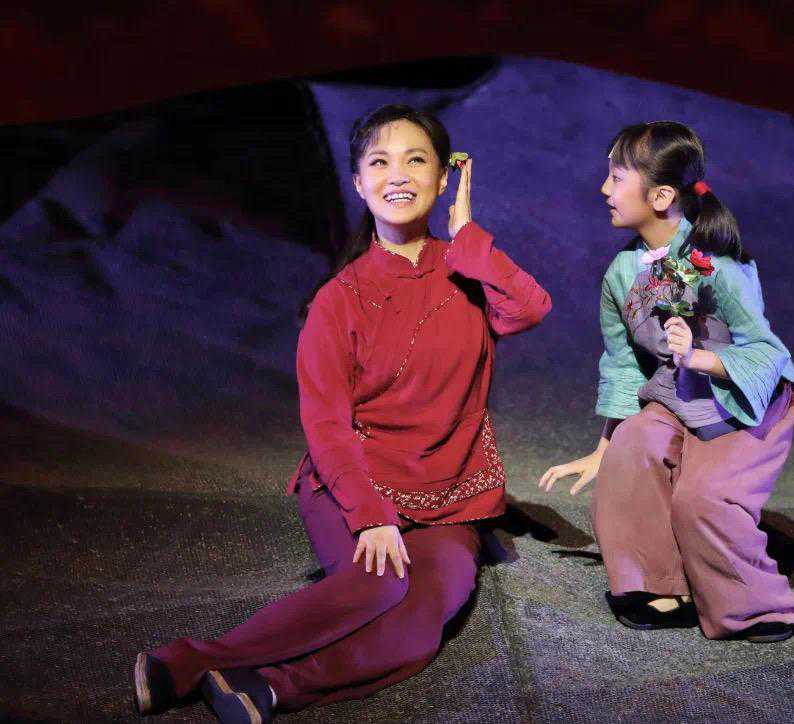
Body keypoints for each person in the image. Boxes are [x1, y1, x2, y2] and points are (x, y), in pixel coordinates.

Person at [133, 104, 551, 722]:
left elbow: (530, 307)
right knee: (379, 582)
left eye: (416, 160)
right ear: (358, 183)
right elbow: (326, 425)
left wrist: (467, 235)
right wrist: (372, 515)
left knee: (421, 624)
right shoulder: (338, 300)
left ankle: (269, 688)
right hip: (356, 482)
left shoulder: (467, 272)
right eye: (379, 162)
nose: (398, 175)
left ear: (444, 179)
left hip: (449, 497)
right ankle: (193, 658)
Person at [540, 121, 794, 643]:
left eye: (617, 178)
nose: (604, 189)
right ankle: (656, 585)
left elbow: (766, 353)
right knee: (630, 453)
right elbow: (624, 365)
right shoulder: (621, 273)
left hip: (742, 401)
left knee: (701, 499)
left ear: (661, 196)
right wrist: (605, 447)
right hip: (674, 394)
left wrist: (700, 359)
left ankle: (755, 606)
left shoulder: (718, 263)